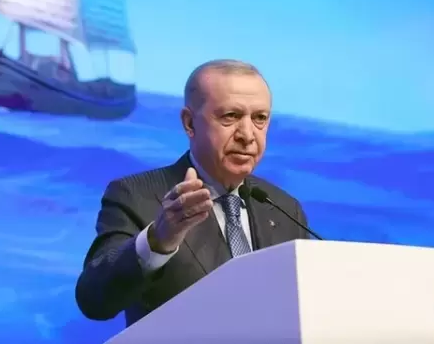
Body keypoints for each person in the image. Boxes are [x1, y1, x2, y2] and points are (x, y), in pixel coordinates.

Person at [74, 59, 311, 326]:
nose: (247, 134)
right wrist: (158, 240)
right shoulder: (136, 196)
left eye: (260, 118)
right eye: (230, 116)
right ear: (189, 123)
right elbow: (94, 300)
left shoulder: (284, 208)